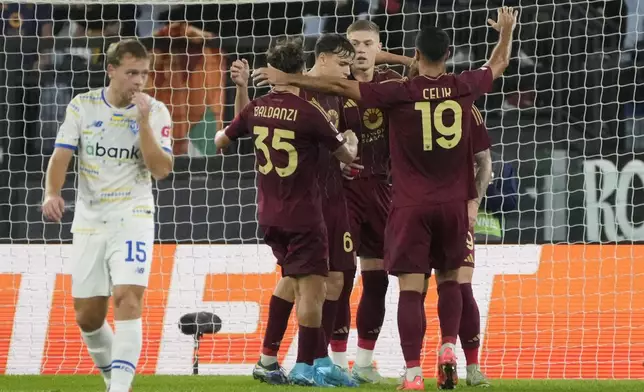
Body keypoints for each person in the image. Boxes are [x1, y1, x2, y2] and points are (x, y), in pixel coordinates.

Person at [252, 7, 517, 390]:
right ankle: (447, 348)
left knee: (408, 287)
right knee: (450, 282)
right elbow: (500, 62)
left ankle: (411, 375)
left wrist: (287, 77)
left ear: (413, 54)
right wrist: (505, 31)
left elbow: (342, 87)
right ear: (448, 55)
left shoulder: (399, 91)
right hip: (453, 204)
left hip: (408, 203)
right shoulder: (463, 87)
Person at [215, 37, 358, 387]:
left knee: (297, 281)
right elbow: (347, 155)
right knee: (313, 290)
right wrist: (349, 144)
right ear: (308, 65)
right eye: (342, 62)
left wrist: (243, 91)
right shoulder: (309, 111)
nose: (347, 69)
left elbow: (224, 139)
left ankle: (278, 360)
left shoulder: (259, 107)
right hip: (306, 211)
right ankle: (306, 367)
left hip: (271, 212)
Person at [42, 39, 174, 392]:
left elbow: (161, 170)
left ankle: (119, 389)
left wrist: (143, 123)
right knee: (88, 317)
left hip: (133, 215)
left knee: (128, 298)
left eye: (144, 74)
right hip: (89, 218)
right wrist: (52, 192)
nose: (139, 81)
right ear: (111, 70)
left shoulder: (156, 111)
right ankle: (114, 381)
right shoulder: (82, 106)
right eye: (132, 73)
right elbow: (61, 156)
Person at [326, 20, 402, 384]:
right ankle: (337, 362)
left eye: (367, 44)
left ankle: (366, 363)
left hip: (383, 190)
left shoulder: (391, 81)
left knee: (378, 279)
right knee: (340, 276)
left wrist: (386, 56)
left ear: (379, 46)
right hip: (343, 192)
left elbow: (427, 69)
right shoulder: (332, 86)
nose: (359, 50)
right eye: (354, 43)